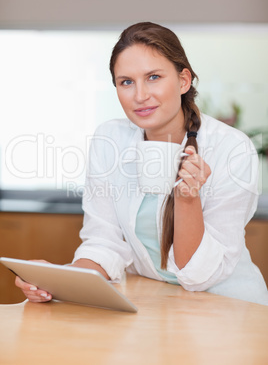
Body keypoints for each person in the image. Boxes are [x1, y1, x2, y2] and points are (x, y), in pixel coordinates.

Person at [15, 22, 268, 305]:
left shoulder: (231, 148)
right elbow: (104, 242)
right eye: (126, 82)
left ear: (184, 80)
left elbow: (199, 276)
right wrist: (59, 280)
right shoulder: (109, 138)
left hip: (228, 305)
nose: (139, 95)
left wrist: (187, 200)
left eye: (154, 77)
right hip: (154, 301)